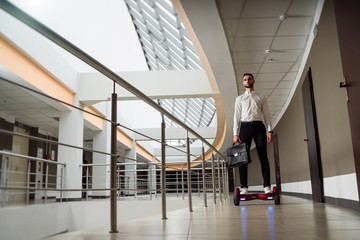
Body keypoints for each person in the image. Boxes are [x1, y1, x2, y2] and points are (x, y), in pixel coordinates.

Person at [233, 73, 274, 195]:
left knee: (263, 157)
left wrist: (270, 130)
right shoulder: (239, 99)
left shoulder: (261, 97)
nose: (247, 81)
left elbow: (267, 115)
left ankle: (267, 186)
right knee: (242, 159)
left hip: (259, 127)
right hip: (245, 127)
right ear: (243, 82)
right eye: (245, 79)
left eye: (249, 79)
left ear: (253, 81)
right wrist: (235, 133)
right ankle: (244, 187)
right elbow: (236, 117)